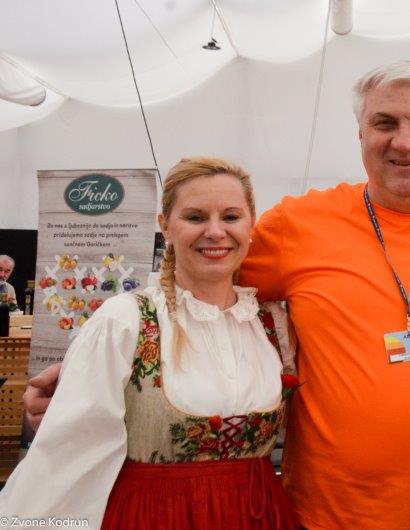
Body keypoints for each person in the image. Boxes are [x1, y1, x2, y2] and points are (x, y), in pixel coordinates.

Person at [23, 62, 410, 529]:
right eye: (385, 123)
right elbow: (198, 282)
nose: (404, 141)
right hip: (324, 515)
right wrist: (97, 364)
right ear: (361, 133)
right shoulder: (300, 223)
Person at [2, 157, 299, 529]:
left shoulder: (271, 325)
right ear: (165, 226)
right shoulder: (124, 321)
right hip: (155, 517)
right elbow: (67, 459)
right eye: (195, 217)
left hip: (260, 515)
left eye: (230, 216)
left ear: (251, 223)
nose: (215, 231)